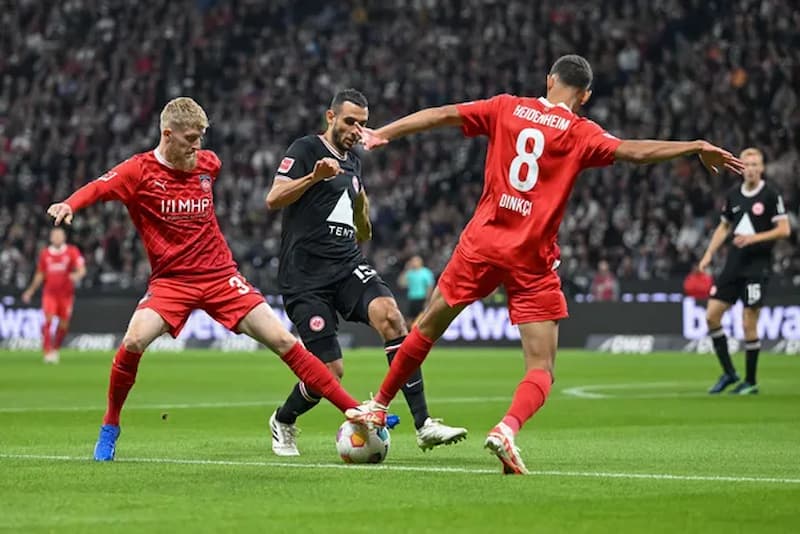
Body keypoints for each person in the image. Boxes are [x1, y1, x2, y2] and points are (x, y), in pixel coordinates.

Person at [347, 54, 744, 474]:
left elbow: (443, 114)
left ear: (549, 79)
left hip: (480, 243)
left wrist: (383, 133)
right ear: (585, 95)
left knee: (426, 327)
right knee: (541, 368)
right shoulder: (580, 132)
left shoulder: (505, 107)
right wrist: (695, 145)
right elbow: (635, 152)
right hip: (530, 257)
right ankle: (506, 429)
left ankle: (378, 404)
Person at [45, 97, 378, 461]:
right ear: (167, 134)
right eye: (190, 138)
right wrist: (69, 205)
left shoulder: (208, 164)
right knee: (134, 340)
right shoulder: (138, 171)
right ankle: (110, 426)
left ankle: (353, 408)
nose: (197, 145)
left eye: (202, 136)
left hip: (221, 277)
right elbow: (98, 187)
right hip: (171, 282)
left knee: (283, 339)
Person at [265, 89, 466, 456]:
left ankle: (424, 425)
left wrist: (362, 209)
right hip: (305, 278)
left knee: (391, 316)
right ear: (330, 117)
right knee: (330, 372)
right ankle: (283, 419)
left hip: (347, 266)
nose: (357, 130)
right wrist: (313, 177)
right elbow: (273, 198)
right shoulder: (306, 149)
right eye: (349, 121)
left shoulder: (354, 164)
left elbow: (361, 224)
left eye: (362, 123)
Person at [700, 147, 790, 395]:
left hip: (756, 266)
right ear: (740, 167)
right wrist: (709, 253)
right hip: (734, 263)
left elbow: (784, 230)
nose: (750, 168)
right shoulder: (733, 195)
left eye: (754, 165)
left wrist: (753, 239)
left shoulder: (770, 195)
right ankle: (729, 373)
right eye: (746, 164)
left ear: (761, 168)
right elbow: (724, 227)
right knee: (711, 316)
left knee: (748, 322)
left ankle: (750, 382)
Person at [22, 227, 86, 364]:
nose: (57, 238)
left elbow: (81, 269)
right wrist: (31, 290)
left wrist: (76, 275)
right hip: (50, 294)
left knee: (64, 324)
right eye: (55, 235)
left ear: (64, 237)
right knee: (48, 319)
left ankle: (55, 348)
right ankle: (47, 350)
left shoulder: (71, 251)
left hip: (66, 295)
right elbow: (40, 274)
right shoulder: (45, 254)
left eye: (59, 235)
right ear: (51, 238)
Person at [398, 255, 436, 325]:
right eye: (413, 261)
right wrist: (406, 269)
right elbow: (401, 283)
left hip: (422, 298)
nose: (414, 262)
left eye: (416, 261)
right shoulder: (410, 273)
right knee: (409, 320)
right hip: (412, 299)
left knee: (421, 319)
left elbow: (430, 287)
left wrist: (427, 300)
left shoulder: (426, 272)